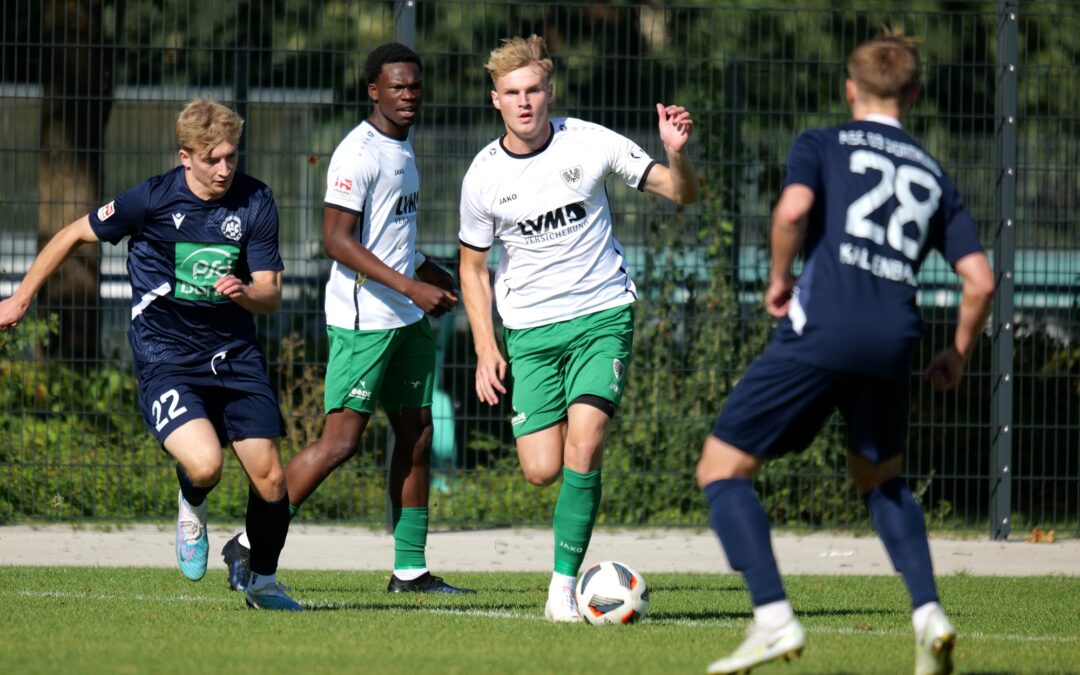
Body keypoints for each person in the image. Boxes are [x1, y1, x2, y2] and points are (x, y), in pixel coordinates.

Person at [697, 28, 995, 675]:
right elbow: (981, 279)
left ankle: (773, 620)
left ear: (850, 89)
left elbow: (792, 209)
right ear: (913, 94)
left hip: (824, 326)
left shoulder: (822, 142)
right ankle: (928, 614)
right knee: (880, 478)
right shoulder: (933, 172)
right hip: (894, 337)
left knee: (721, 468)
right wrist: (959, 352)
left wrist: (780, 278)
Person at [0, 99, 302, 611]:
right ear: (186, 157)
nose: (225, 168)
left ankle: (264, 583)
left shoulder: (256, 201)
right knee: (206, 466)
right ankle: (192, 500)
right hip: (167, 355)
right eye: (213, 159)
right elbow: (74, 232)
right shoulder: (152, 199)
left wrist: (246, 294)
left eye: (231, 156)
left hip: (235, 353)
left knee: (272, 477)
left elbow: (271, 292)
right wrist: (22, 296)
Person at [457, 34, 698, 622]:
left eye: (534, 89)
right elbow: (472, 267)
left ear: (549, 91)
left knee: (584, 447)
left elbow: (681, 193)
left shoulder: (589, 142)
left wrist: (677, 154)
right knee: (543, 469)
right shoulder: (483, 177)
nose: (524, 102)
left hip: (601, 316)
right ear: (496, 101)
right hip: (531, 334)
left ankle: (562, 589)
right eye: (512, 93)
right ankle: (577, 512)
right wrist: (487, 348)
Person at [220, 42, 472, 595]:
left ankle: (410, 571)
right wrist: (409, 285)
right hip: (365, 321)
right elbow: (335, 240)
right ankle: (247, 539)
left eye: (415, 85)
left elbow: (389, 233)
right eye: (397, 86)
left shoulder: (403, 148)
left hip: (405, 317)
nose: (408, 94)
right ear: (373, 91)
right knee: (340, 443)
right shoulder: (357, 153)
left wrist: (427, 270)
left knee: (418, 434)